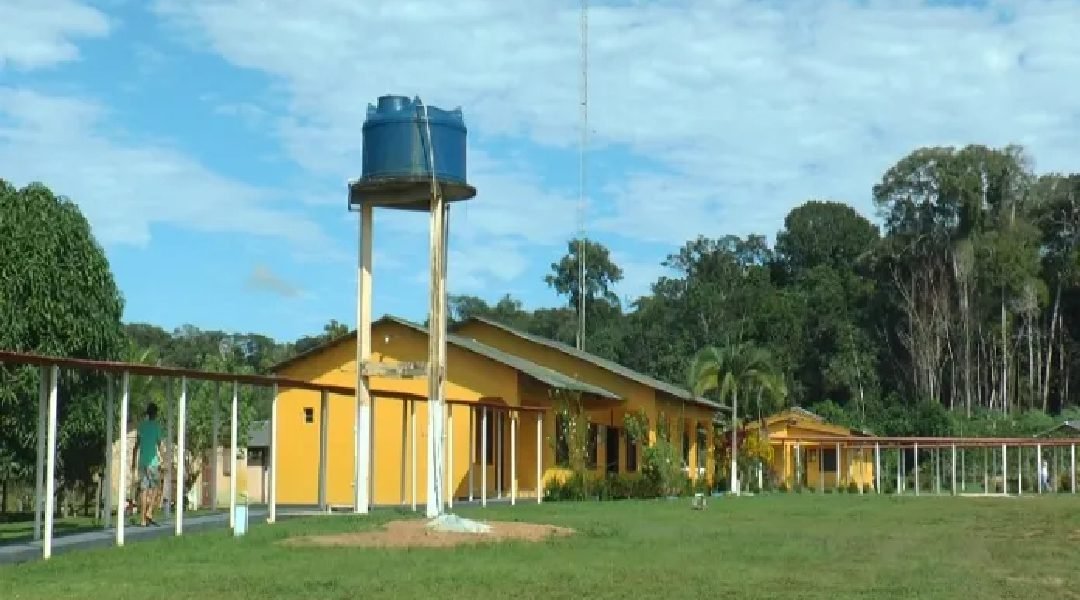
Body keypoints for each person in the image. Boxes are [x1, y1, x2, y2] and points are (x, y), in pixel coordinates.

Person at [131, 402, 164, 526]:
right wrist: (164, 460)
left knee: (144, 490)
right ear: (155, 414)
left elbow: (136, 446)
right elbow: (159, 444)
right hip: (153, 463)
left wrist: (133, 462)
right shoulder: (156, 427)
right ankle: (149, 511)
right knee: (157, 487)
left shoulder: (141, 426)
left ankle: (143, 520)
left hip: (142, 462)